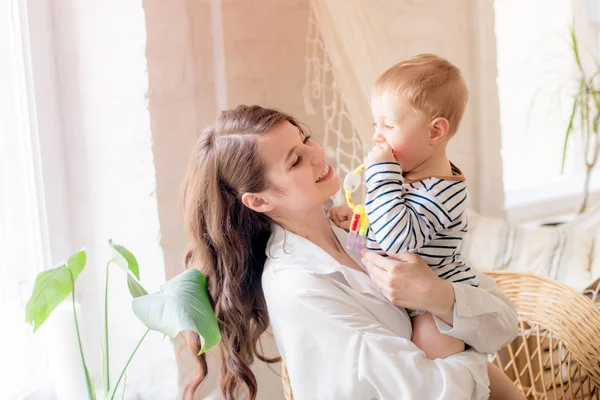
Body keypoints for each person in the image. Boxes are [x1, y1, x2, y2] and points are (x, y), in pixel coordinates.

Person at [181, 105, 522, 400]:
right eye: (296, 160)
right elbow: (427, 391)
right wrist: (474, 351)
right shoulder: (299, 286)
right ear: (260, 200)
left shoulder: (362, 227)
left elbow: (504, 323)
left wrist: (440, 296)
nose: (318, 153)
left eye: (305, 138)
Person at [330, 54, 477, 360]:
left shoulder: (443, 190)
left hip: (433, 309)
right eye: (376, 124)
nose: (376, 136)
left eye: (389, 125)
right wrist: (359, 223)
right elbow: (384, 228)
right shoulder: (405, 176)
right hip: (399, 299)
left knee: (427, 371)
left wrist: (380, 174)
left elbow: (397, 239)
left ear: (435, 132)